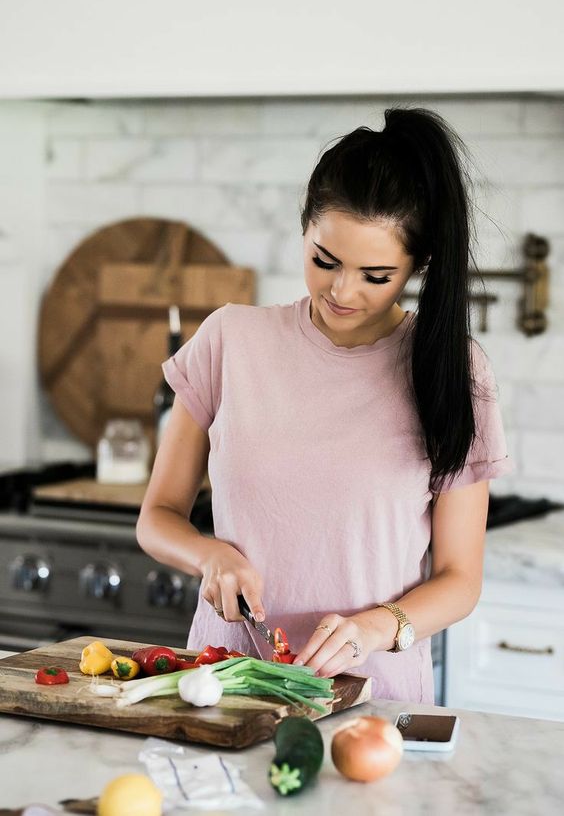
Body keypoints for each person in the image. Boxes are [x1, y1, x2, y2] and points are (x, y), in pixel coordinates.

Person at [137, 106, 513, 703]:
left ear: (419, 266)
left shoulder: (453, 369)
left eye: (376, 275)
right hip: (222, 683)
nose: (342, 291)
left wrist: (375, 627)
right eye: (325, 261)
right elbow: (157, 517)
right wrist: (209, 554)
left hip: (373, 700)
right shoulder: (230, 340)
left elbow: (460, 580)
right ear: (305, 228)